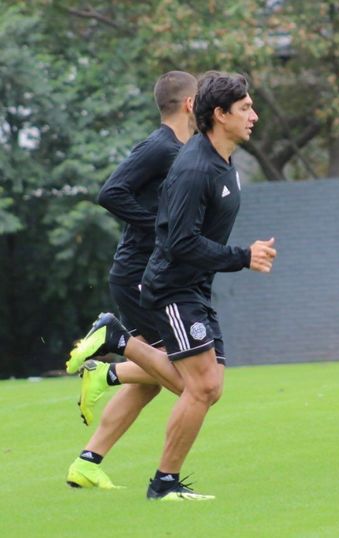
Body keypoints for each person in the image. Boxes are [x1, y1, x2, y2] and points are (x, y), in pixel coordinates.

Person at [66, 71, 277, 500]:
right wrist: (241, 256)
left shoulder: (219, 156)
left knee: (203, 385)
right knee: (198, 387)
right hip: (171, 287)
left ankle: (107, 458)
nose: (254, 116)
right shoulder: (191, 166)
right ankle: (117, 346)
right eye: (245, 108)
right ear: (218, 114)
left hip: (192, 285)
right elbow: (178, 240)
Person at [65, 70, 198, 489]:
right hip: (139, 275)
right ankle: (113, 346)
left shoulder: (183, 148)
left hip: (150, 274)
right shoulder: (159, 146)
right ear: (190, 104)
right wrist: (158, 228)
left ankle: (88, 461)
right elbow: (111, 192)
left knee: (156, 380)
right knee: (187, 381)